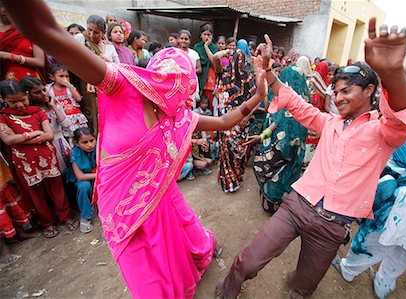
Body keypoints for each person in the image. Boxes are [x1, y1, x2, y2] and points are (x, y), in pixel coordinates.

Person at [1, 1, 268, 297]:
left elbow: (223, 120)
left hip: (156, 194)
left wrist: (258, 96)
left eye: (181, 83)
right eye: (170, 80)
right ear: (156, 75)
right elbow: (47, 32)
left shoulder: (178, 116)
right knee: (146, 277)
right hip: (122, 209)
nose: (175, 88)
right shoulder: (120, 84)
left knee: (168, 250)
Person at [216, 18, 406, 299]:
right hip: (296, 206)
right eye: (335, 92)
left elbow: (404, 115)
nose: (338, 98)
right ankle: (227, 290)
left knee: (303, 288)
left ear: (370, 91)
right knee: (246, 262)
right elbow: (297, 104)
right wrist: (269, 72)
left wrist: (393, 74)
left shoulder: (383, 132)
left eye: (346, 91)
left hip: (332, 227)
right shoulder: (331, 122)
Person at [332, 141, 406, 299]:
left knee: (374, 239)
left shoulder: (381, 149)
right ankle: (384, 284)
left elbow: (383, 190)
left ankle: (348, 270)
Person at [0, 80, 78, 238]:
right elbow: (7, 140)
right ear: (3, 100)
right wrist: (35, 134)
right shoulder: (4, 118)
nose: (19, 105)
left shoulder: (37, 112)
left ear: (27, 95)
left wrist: (21, 138)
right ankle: (47, 223)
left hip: (48, 157)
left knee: (57, 190)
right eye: (13, 102)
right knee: (36, 195)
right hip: (25, 163)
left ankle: (66, 217)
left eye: (22, 100)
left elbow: (49, 135)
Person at [249, 62, 309, 213]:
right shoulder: (291, 105)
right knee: (285, 178)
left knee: (275, 175)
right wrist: (262, 136)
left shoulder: (303, 109)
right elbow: (276, 123)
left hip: (282, 153)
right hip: (287, 154)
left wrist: (266, 140)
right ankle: (278, 205)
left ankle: (274, 205)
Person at [214, 44, 256, 193]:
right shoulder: (223, 75)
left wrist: (248, 116)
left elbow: (256, 101)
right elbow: (214, 58)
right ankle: (230, 182)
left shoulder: (248, 81)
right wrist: (226, 51)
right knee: (228, 154)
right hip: (226, 123)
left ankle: (235, 180)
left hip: (238, 123)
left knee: (235, 154)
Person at [74, 15, 119, 134]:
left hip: (107, 86)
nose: (91, 35)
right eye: (89, 30)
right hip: (87, 84)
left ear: (104, 32)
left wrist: (106, 60)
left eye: (96, 32)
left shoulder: (109, 47)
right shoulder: (81, 38)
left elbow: (118, 67)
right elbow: (76, 59)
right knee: (92, 113)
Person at [20, 76, 72, 172]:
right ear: (27, 95)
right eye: (37, 92)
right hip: (44, 146)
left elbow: (66, 124)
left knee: (69, 172)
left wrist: (53, 106)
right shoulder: (30, 112)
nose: (43, 94)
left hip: (60, 143)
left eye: (44, 90)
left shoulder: (54, 104)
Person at [0, 4, 46, 82]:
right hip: (4, 85)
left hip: (30, 84)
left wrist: (9, 56)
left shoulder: (30, 29)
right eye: (2, 6)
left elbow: (40, 61)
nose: (4, 10)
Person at [46, 63, 89, 141]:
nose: (64, 79)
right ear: (52, 77)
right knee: (68, 140)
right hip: (61, 119)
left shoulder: (70, 88)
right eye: (61, 76)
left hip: (75, 118)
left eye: (67, 76)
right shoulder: (49, 89)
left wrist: (69, 86)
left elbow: (78, 99)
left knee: (81, 137)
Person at [65, 127, 96, 233]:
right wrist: (100, 174)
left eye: (92, 140)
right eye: (85, 142)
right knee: (84, 186)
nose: (90, 145)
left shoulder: (99, 148)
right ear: (77, 143)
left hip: (96, 174)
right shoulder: (75, 153)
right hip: (84, 178)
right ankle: (85, 216)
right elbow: (80, 176)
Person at [193, 23, 218, 98]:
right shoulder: (197, 47)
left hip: (210, 73)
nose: (206, 37)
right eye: (205, 34)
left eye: (209, 35)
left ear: (212, 36)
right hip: (200, 73)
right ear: (201, 35)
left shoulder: (214, 47)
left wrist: (206, 46)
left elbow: (214, 61)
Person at [178, 29, 201, 105]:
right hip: (179, 82)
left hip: (191, 83)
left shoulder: (194, 54)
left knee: (189, 105)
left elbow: (199, 69)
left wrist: (190, 71)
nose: (184, 41)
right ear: (178, 39)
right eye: (181, 38)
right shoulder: (175, 52)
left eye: (186, 39)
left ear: (190, 41)